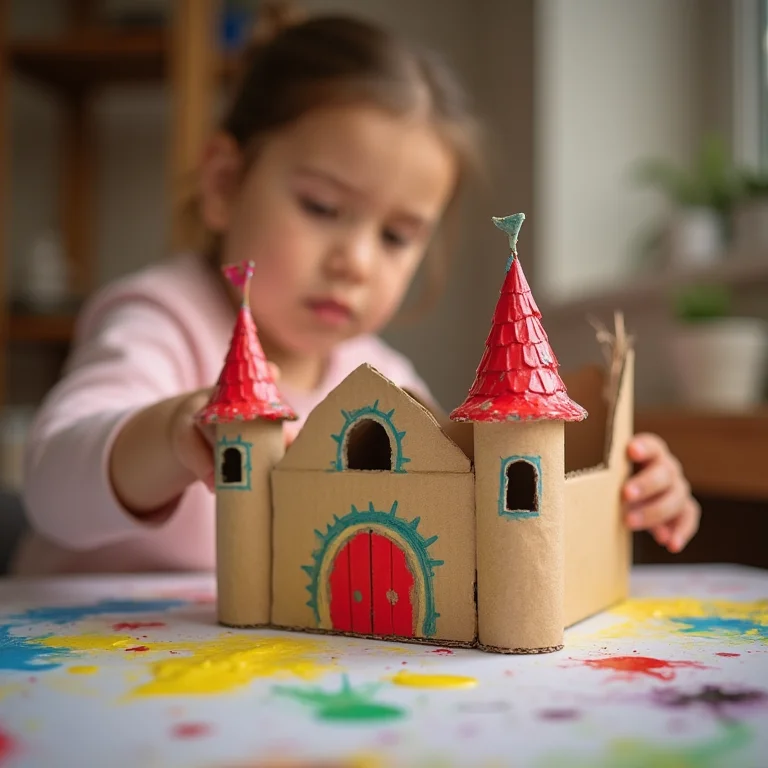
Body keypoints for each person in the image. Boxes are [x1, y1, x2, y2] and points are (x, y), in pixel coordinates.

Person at [14, 3, 700, 575]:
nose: (355, 261)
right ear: (224, 184)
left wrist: (617, 490)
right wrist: (166, 434)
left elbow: (473, 505)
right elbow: (49, 486)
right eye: (320, 206)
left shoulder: (381, 379)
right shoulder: (162, 317)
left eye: (397, 237)